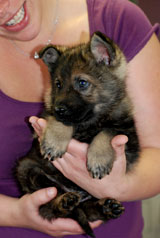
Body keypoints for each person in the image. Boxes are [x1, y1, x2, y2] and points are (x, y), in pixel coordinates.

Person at [0, 0, 160, 237]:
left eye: (82, 84)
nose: (3, 8)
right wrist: (16, 213)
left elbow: (155, 150)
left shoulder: (114, 18)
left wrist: (117, 186)